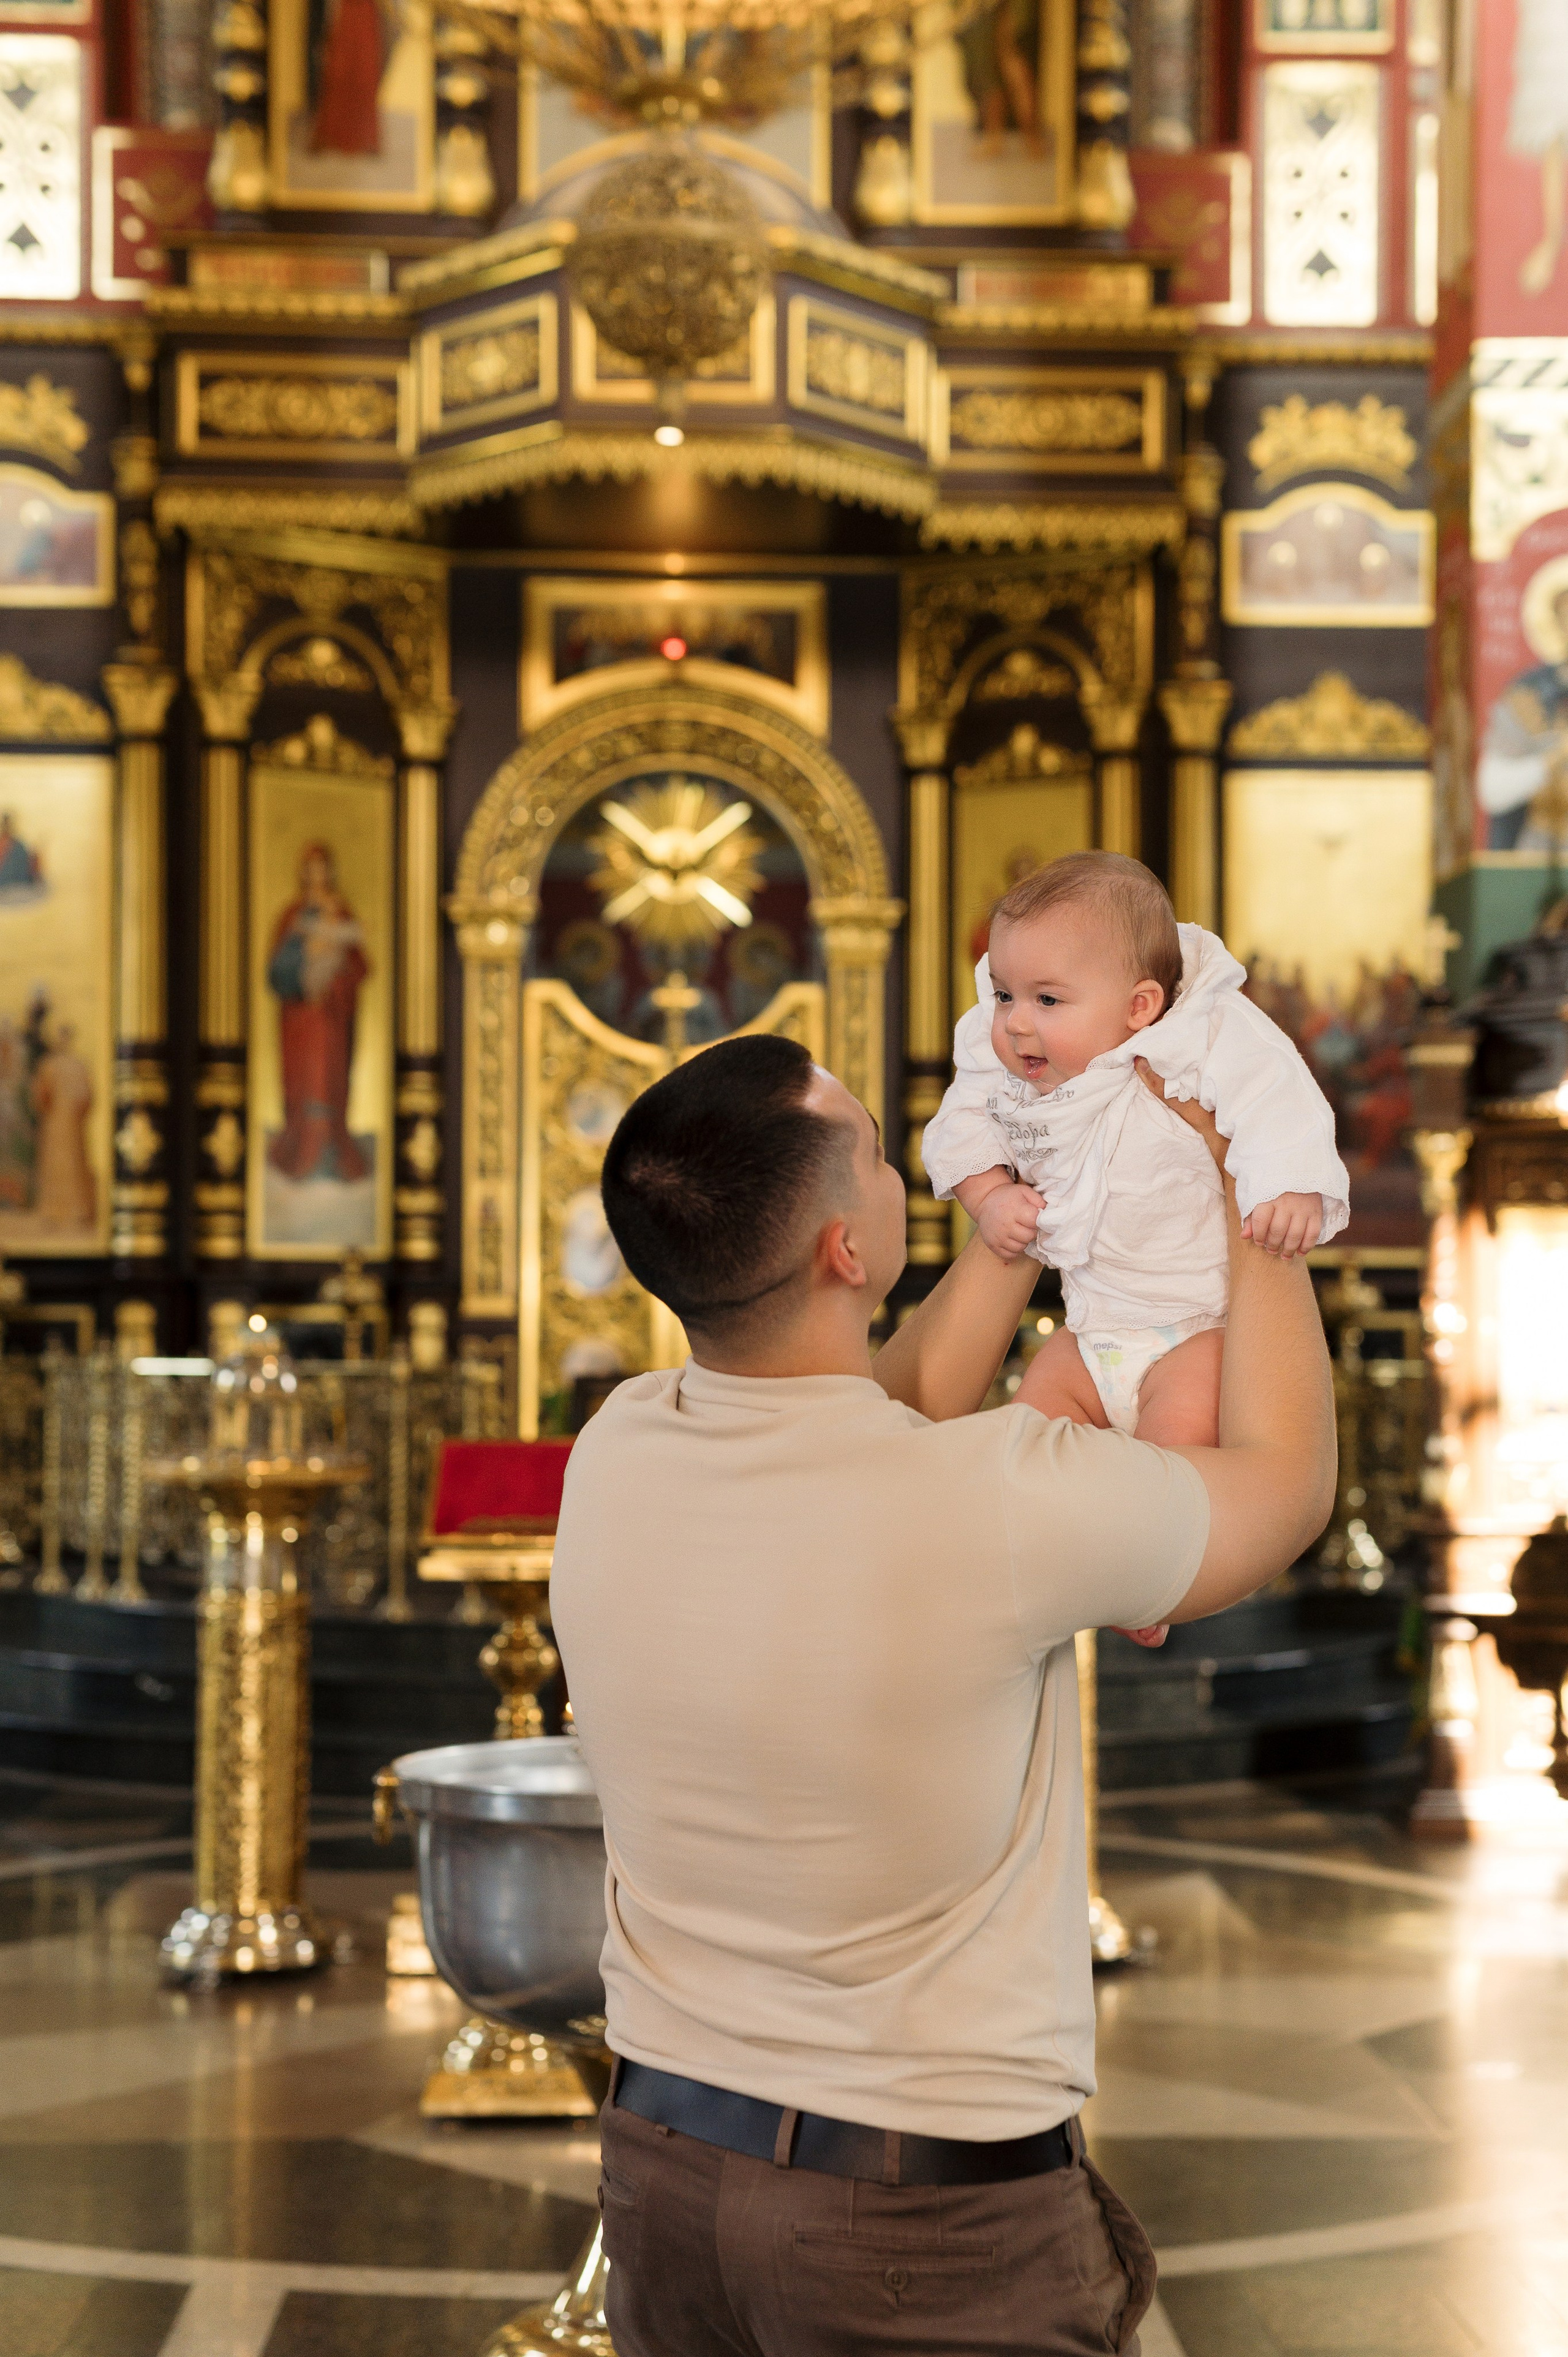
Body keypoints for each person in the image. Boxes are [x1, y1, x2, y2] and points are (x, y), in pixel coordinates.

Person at [549, 1030, 1336, 2357]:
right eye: (868, 1147)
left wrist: (1028, 1211)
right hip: (915, 2234)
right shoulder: (999, 1498)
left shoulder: (619, 1444)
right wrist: (1243, 1181)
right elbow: (1285, 1487)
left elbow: (876, 1405)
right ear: (842, 1250)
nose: (897, 1159)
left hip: (666, 2179)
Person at [925, 851, 1348, 1452]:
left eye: (1046, 1000)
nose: (1015, 1022)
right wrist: (989, 1195)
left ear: (1139, 1005)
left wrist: (1289, 1185)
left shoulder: (1200, 1032)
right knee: (1016, 1454)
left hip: (1195, 1332)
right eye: (1002, 995)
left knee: (1165, 1477)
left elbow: (1275, 1092)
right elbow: (962, 1123)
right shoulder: (1004, 1064)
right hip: (1090, 1332)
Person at [266, 843, 370, 1185]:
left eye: (322, 867)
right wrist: (302, 970)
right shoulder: (292, 915)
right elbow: (276, 970)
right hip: (300, 1018)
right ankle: (301, 1153)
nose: (316, 875)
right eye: (310, 868)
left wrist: (334, 973)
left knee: (329, 1080)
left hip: (332, 1016)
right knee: (304, 1081)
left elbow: (360, 964)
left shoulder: (341, 913)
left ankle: (330, 1153)